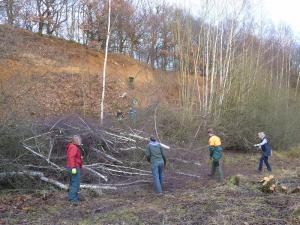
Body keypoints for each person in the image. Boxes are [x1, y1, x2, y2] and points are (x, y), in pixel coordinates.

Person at [66, 135, 83, 203]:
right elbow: (71, 157)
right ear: (75, 140)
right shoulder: (73, 147)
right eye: (79, 140)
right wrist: (73, 168)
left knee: (73, 183)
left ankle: (74, 197)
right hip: (74, 167)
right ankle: (73, 200)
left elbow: (73, 157)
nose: (80, 141)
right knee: (75, 183)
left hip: (73, 167)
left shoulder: (72, 146)